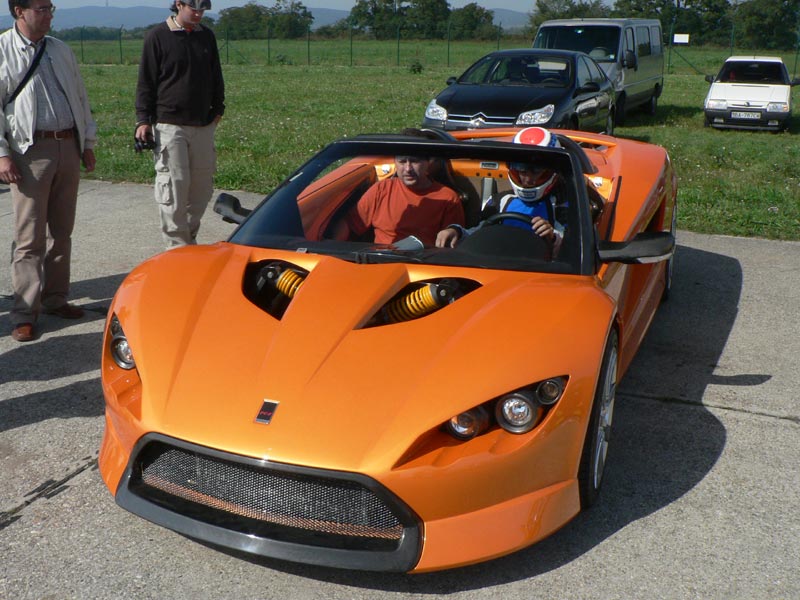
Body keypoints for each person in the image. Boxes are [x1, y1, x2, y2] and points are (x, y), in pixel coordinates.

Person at [0, 0, 98, 342]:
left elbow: (80, 97)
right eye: (41, 8)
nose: (49, 15)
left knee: (62, 230)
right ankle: (24, 312)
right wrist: (2, 155)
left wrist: (87, 142)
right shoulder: (3, 49)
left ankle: (56, 298)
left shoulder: (60, 49)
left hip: (67, 145)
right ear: (19, 11)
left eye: (50, 8)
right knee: (29, 237)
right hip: (29, 152)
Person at [134, 0, 225, 248]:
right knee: (174, 189)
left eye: (202, 9)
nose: (198, 14)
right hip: (169, 124)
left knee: (201, 191)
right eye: (193, 8)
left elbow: (216, 75)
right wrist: (143, 120)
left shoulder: (206, 36)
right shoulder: (157, 36)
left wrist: (218, 109)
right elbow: (146, 81)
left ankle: (189, 241)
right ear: (178, 4)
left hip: (203, 125)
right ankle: (177, 249)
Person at [436, 127, 564, 252]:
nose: (528, 179)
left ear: (551, 170)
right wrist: (456, 232)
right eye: (521, 169)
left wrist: (553, 237)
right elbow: (480, 233)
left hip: (541, 264)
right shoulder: (500, 200)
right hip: (498, 261)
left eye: (536, 170)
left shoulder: (564, 204)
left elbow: (572, 247)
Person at [338, 151, 465, 247]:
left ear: (428, 163)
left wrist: (452, 231)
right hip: (380, 262)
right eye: (402, 162)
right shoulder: (380, 189)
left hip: (423, 266)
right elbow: (349, 225)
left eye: (414, 161)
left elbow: (455, 240)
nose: (408, 169)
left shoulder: (448, 197)